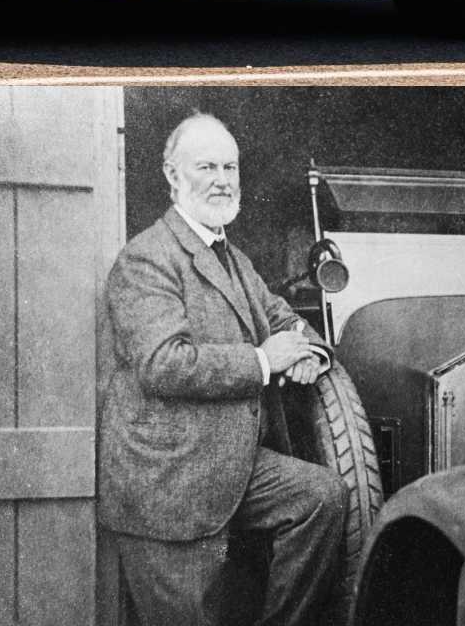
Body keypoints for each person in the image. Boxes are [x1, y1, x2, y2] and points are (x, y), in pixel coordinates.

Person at [98, 112, 346, 626]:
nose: (221, 180)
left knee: (321, 498)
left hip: (229, 462)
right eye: (206, 167)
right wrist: (265, 360)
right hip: (169, 481)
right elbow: (164, 363)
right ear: (172, 176)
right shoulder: (146, 259)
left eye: (229, 168)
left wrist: (309, 353)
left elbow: (285, 318)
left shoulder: (232, 257)